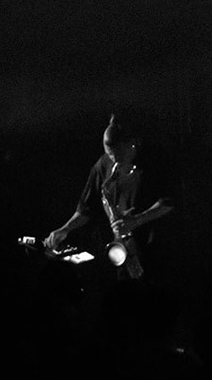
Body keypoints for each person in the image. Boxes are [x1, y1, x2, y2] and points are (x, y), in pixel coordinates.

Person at [43, 113, 173, 280]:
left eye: (117, 155)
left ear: (132, 145)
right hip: (122, 249)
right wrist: (65, 229)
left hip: (154, 247)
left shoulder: (154, 162)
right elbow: (86, 208)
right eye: (110, 155)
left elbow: (168, 202)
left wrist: (136, 221)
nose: (114, 161)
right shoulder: (103, 165)